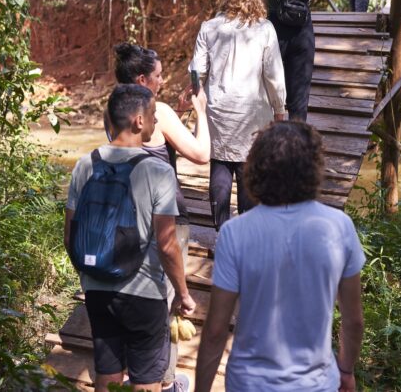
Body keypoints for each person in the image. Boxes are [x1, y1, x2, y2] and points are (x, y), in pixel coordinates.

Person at [194, 122, 366, 392]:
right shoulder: (339, 227)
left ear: (257, 169)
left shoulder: (235, 232)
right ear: (314, 169)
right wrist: (345, 370)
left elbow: (215, 330)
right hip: (316, 384)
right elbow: (353, 320)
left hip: (249, 383)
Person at [64, 84, 197, 392]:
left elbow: (69, 236)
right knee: (146, 380)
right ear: (138, 121)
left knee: (107, 373)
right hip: (144, 292)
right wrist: (183, 293)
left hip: (97, 289)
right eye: (153, 115)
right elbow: (166, 245)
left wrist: (91, 278)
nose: (155, 122)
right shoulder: (158, 171)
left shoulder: (86, 164)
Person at [114, 43, 211, 391]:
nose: (163, 81)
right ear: (143, 79)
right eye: (157, 76)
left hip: (127, 217)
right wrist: (199, 112)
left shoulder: (116, 110)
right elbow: (201, 154)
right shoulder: (160, 110)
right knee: (165, 300)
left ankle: (130, 372)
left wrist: (176, 115)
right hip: (167, 216)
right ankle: (165, 381)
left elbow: (152, 142)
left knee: (134, 293)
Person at [190, 0, 287, 230]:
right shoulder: (265, 29)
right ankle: (245, 234)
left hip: (219, 110)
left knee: (220, 168)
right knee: (248, 171)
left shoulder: (209, 28)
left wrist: (196, 98)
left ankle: (222, 232)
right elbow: (274, 76)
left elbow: (196, 71)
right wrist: (280, 110)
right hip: (253, 113)